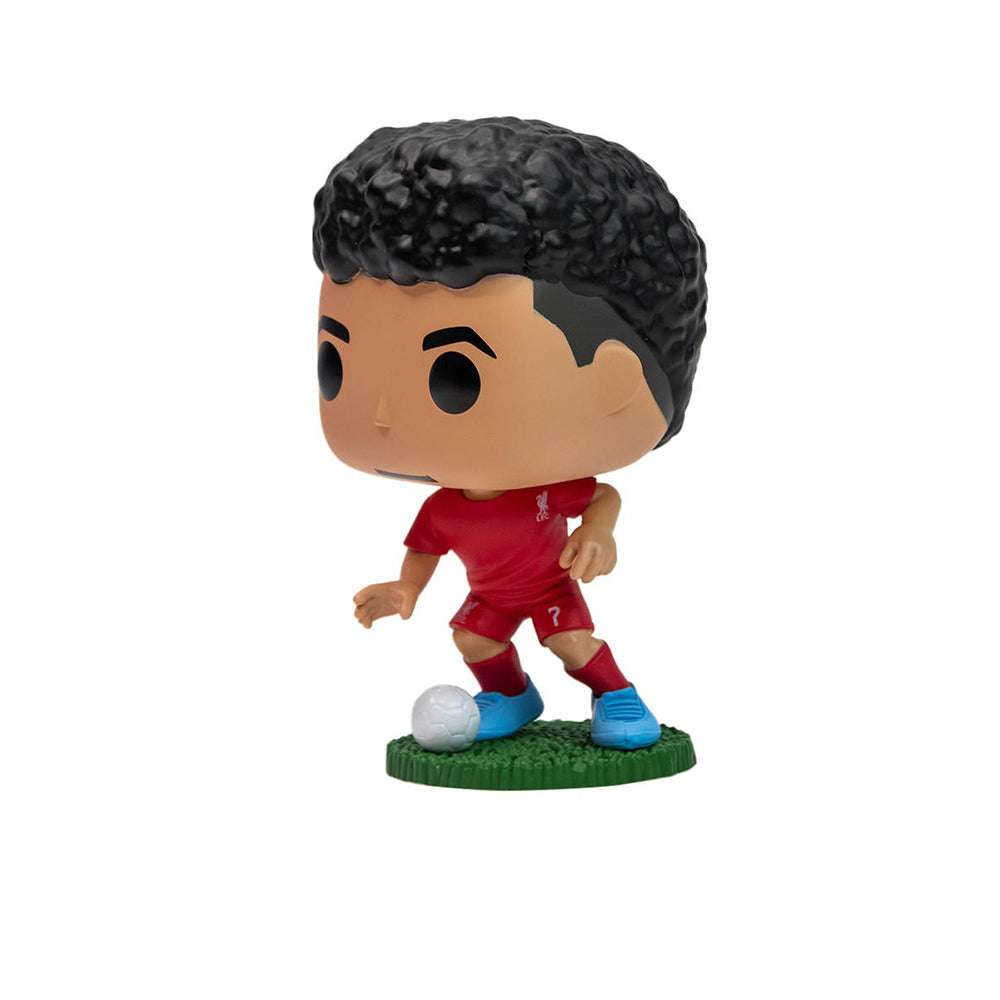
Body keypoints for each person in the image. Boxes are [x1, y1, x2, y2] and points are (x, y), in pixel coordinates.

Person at [313, 117, 707, 749]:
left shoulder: (544, 493)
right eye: (336, 362)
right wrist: (406, 588)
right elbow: (425, 550)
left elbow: (600, 495)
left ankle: (618, 696)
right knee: (470, 638)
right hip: (492, 596)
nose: (382, 416)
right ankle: (511, 694)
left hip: (549, 585)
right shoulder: (445, 508)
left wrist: (597, 533)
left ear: (615, 380)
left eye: (455, 377)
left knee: (572, 643)